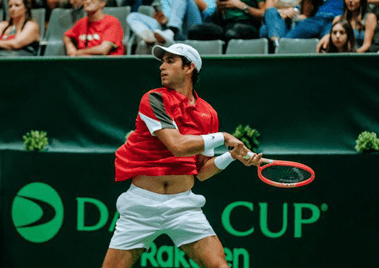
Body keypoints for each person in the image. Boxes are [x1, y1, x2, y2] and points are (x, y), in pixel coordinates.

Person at [101, 43, 263, 268]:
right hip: (142, 205)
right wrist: (224, 138)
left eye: (170, 61)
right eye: (162, 62)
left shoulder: (208, 114)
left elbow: (203, 172)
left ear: (189, 67)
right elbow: (177, 145)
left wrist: (231, 156)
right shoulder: (154, 99)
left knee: (219, 265)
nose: (162, 67)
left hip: (183, 206)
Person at [127, 0, 216, 44]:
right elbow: (168, 15)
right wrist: (163, 19)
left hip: (192, 27)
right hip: (168, 27)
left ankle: (171, 32)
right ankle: (151, 38)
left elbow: (210, 10)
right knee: (133, 16)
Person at [187, 0, 266, 42]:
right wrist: (219, 8)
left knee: (232, 33)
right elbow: (215, 18)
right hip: (224, 25)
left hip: (247, 25)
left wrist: (242, 6)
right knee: (195, 31)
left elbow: (262, 14)